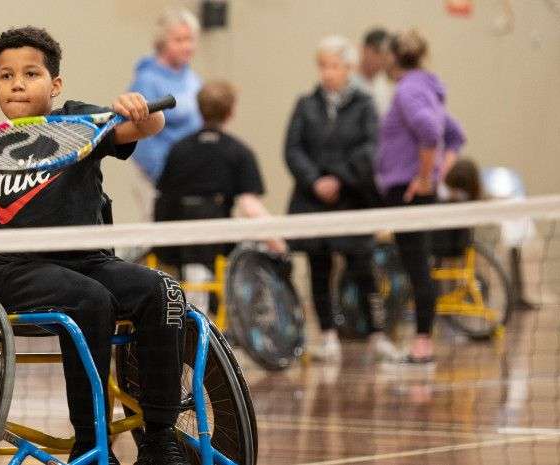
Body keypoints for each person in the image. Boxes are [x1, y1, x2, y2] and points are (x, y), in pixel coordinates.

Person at [0, 27, 189, 465]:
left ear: (55, 85)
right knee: (91, 302)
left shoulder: (79, 123)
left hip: (88, 261)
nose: (17, 83)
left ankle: (158, 437)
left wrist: (139, 110)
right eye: (5, 76)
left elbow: (146, 127)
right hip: (14, 272)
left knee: (164, 291)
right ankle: (92, 444)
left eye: (30, 73)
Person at [284, 35, 399, 363]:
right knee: (319, 269)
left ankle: (377, 334)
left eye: (334, 66)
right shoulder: (305, 104)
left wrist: (339, 177)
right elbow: (293, 149)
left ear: (348, 68)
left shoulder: (364, 106)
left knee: (363, 268)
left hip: (352, 198)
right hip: (312, 200)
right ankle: (328, 336)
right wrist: (315, 180)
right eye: (323, 66)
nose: (328, 72)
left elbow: (370, 149)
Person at [377, 29, 467, 363]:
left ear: (393, 57)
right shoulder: (428, 88)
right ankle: (421, 341)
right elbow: (455, 137)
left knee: (417, 268)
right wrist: (437, 171)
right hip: (409, 191)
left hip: (411, 193)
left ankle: (422, 344)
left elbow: (431, 132)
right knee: (417, 266)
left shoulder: (409, 89)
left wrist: (426, 178)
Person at [155, 80, 285, 311]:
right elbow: (249, 205)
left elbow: (163, 196)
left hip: (176, 245)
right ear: (231, 111)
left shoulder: (178, 150)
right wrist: (280, 244)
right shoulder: (238, 152)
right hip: (213, 244)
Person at [127, 7, 203, 220]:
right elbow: (141, 138)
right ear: (162, 42)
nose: (187, 46)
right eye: (179, 40)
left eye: (191, 39)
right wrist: (163, 177)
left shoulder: (194, 80)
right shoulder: (146, 81)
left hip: (191, 178)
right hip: (159, 179)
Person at [355, 27, 395, 117]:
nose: (382, 58)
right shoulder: (347, 83)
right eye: (377, 52)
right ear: (364, 49)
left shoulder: (386, 86)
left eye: (386, 54)